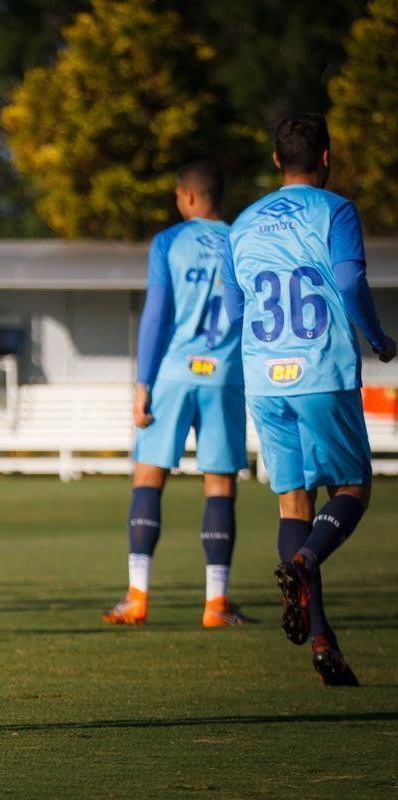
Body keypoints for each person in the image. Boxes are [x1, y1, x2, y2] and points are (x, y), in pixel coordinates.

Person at [223, 113, 395, 685]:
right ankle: (304, 560)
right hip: (320, 368)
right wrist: (377, 337)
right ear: (326, 157)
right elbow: (348, 282)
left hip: (264, 377)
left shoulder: (242, 223)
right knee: (353, 489)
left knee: (292, 503)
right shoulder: (336, 210)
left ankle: (324, 642)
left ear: (276, 161)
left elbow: (233, 310)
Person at [103, 160, 253, 628]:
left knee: (149, 478)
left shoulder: (168, 241)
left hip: (172, 373)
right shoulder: (240, 240)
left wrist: (142, 385)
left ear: (187, 197)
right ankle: (216, 603)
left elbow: (155, 315)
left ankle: (137, 595)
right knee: (220, 483)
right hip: (224, 374)